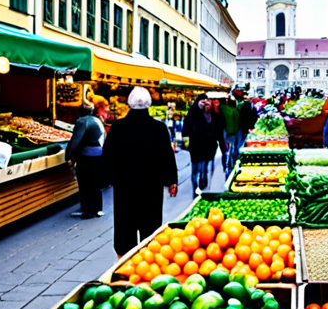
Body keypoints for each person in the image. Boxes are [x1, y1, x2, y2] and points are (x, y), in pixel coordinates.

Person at [103, 87, 178, 256]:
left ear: (129, 103)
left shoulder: (118, 127)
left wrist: (111, 179)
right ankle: (148, 263)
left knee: (125, 228)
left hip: (124, 189)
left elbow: (107, 156)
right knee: (150, 229)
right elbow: (168, 156)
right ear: (149, 104)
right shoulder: (159, 128)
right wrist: (171, 181)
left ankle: (124, 265)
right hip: (151, 188)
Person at [66, 103, 106, 219]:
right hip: (99, 154)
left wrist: (69, 154)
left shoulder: (82, 121)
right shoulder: (97, 120)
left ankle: (87, 210)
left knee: (85, 182)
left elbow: (76, 140)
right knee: (95, 183)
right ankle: (97, 209)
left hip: (87, 155)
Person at [183, 94, 225, 197]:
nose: (205, 104)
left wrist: (222, 146)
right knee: (195, 169)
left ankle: (203, 183)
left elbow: (218, 130)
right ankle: (195, 189)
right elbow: (185, 130)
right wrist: (186, 145)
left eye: (207, 102)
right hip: (195, 147)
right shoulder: (192, 114)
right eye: (202, 102)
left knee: (205, 167)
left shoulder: (212, 115)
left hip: (209, 147)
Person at [220, 96, 240, 175]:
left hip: (226, 131)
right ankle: (231, 163)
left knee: (226, 149)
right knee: (231, 148)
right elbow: (237, 122)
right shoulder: (235, 111)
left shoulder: (223, 109)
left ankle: (226, 165)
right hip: (233, 132)